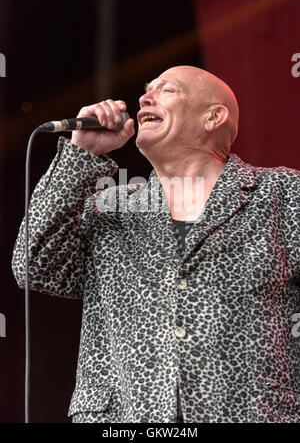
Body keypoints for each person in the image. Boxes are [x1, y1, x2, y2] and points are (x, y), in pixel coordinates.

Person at [12, 65, 300, 423]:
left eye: (168, 90)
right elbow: (34, 265)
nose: (145, 98)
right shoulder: (112, 207)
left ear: (213, 116)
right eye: (147, 90)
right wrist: (81, 156)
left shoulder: (283, 195)